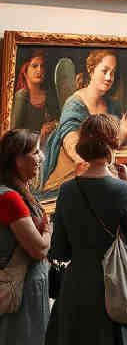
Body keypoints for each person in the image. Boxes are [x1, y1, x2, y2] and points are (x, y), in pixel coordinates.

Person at [45, 114, 127, 344]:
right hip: (113, 287)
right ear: (112, 144)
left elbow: (60, 251)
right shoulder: (123, 190)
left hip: (76, 287)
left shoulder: (67, 190)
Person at [42, 50, 127, 192]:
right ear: (91, 71)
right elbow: (72, 143)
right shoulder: (75, 104)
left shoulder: (112, 105)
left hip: (103, 170)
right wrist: (122, 132)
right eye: (104, 71)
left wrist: (126, 130)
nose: (109, 77)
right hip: (73, 172)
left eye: (112, 73)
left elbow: (110, 144)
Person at [0, 129, 51, 342]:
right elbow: (39, 249)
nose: (42, 157)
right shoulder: (10, 198)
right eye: (36, 152)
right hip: (22, 291)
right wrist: (48, 231)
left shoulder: (16, 192)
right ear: (18, 161)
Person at [11, 50, 61, 138]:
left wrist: (53, 125)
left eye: (42, 66)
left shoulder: (49, 95)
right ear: (25, 71)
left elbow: (59, 121)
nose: (39, 70)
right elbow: (14, 132)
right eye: (34, 66)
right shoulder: (21, 95)